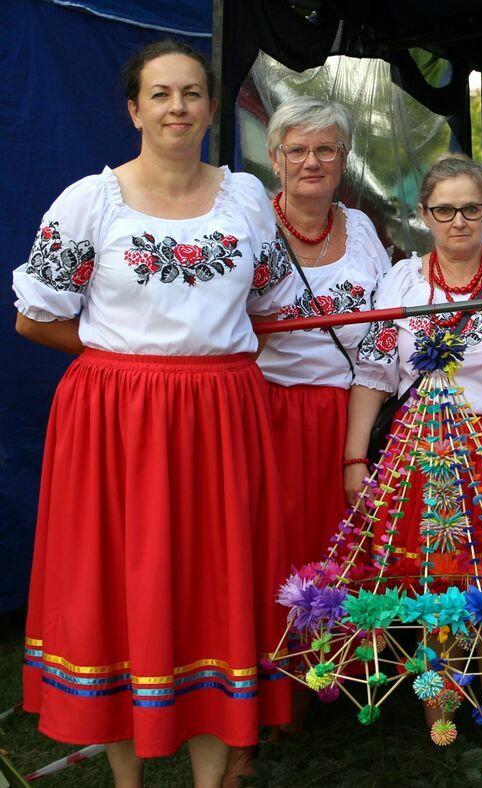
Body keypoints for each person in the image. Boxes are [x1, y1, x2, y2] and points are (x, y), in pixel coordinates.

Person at [13, 40, 296, 788]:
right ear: (135, 109)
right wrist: (127, 364)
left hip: (221, 416)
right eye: (162, 94)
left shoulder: (246, 201)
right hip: (116, 421)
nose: (178, 107)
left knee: (214, 587)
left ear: (211, 108)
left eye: (192, 93)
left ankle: (209, 779)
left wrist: (200, 368)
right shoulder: (90, 202)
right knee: (116, 585)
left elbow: (271, 305)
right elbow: (35, 317)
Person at [343, 152, 482, 756]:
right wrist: (354, 459)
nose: (459, 221)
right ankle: (444, 740)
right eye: (444, 210)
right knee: (437, 601)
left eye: (471, 208)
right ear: (424, 214)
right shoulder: (401, 282)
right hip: (425, 456)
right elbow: (373, 374)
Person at [254, 96, 391, 736]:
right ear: (275, 158)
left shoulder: (361, 228)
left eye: (326, 149)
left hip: (349, 416)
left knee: (337, 547)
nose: (312, 161)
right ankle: (261, 692)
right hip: (269, 414)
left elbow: (386, 324)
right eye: (298, 150)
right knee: (270, 550)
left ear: (344, 158)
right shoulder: (250, 224)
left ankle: (324, 686)